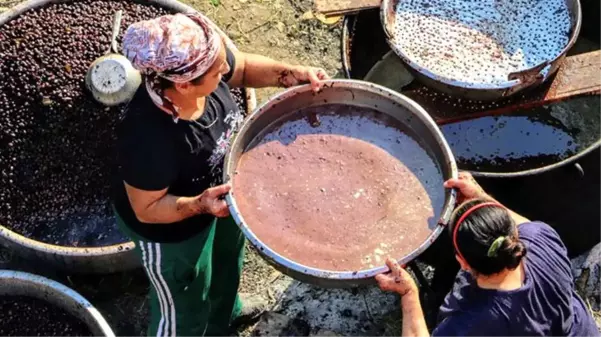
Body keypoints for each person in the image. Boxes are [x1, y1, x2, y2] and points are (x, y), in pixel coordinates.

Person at [112, 12, 329, 337]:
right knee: (184, 299)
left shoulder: (202, 53)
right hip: (172, 229)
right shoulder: (147, 138)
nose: (225, 70)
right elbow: (148, 208)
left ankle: (224, 317)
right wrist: (200, 205)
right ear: (184, 84)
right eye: (216, 72)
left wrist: (288, 74)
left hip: (220, 194)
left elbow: (239, 66)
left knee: (226, 264)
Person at [377, 172, 600, 337]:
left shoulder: (469, 323)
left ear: (462, 263)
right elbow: (518, 225)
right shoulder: (542, 238)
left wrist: (408, 294)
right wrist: (481, 197)